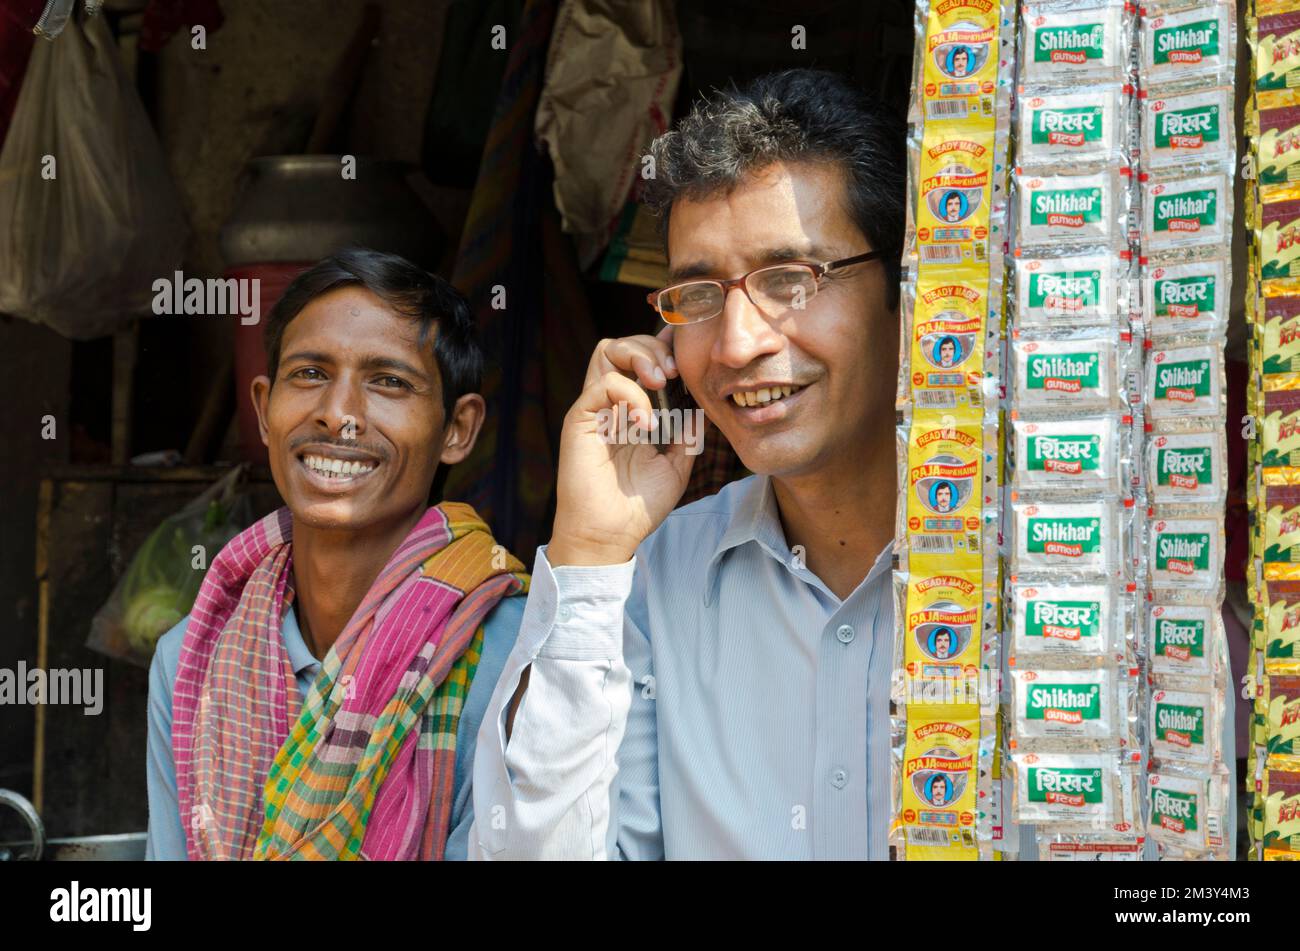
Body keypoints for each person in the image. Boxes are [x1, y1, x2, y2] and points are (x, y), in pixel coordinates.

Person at [470, 68, 906, 859]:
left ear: (907, 292)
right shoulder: (653, 580)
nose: (738, 343)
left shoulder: (1041, 563)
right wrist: (590, 554)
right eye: (699, 294)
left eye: (789, 279)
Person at [145, 248, 527, 860]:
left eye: (389, 381)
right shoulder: (192, 663)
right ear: (266, 409)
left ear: (458, 428)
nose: (339, 415)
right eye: (310, 374)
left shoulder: (512, 661)